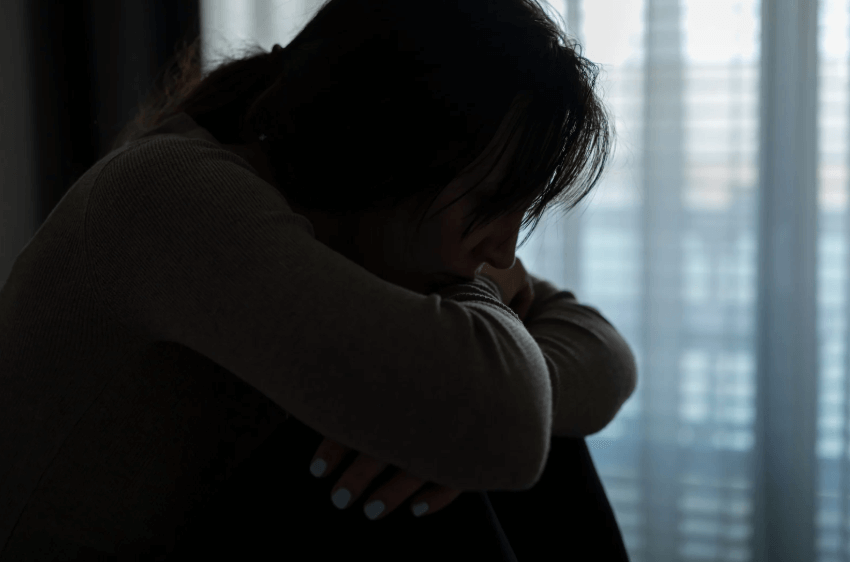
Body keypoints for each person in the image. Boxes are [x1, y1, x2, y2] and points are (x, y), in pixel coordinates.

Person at [0, 0, 634, 559]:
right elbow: (508, 414)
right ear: (386, 148)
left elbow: (603, 355)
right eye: (490, 206)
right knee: (435, 435)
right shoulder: (172, 195)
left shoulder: (360, 225)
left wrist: (482, 395)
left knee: (474, 428)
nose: (501, 247)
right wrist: (481, 363)